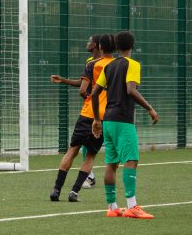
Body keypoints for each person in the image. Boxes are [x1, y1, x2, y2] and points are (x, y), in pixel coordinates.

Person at [91, 30, 158, 219]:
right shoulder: (133, 64)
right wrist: (150, 108)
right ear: (132, 46)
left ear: (117, 47)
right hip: (122, 120)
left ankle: (112, 207)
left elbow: (95, 93)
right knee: (131, 160)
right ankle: (132, 206)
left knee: (111, 164)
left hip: (108, 120)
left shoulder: (109, 67)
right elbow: (131, 90)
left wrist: (97, 119)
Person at [49, 34, 115, 202]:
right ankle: (74, 192)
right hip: (104, 117)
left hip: (87, 113)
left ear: (99, 46)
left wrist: (88, 98)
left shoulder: (92, 65)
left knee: (72, 151)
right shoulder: (118, 65)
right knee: (91, 155)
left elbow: (83, 89)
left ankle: (56, 190)